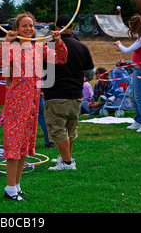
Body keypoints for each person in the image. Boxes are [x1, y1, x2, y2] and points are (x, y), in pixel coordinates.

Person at [0, 12, 67, 201]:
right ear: (17, 29)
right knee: (14, 146)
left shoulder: (38, 47)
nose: (28, 29)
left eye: (31, 25)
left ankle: (16, 186)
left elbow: (60, 58)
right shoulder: (13, 47)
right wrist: (6, 42)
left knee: (24, 146)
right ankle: (10, 189)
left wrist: (59, 41)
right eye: (24, 26)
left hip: (33, 103)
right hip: (17, 103)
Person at [43, 14, 94, 171]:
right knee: (70, 130)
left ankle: (66, 163)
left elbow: (43, 72)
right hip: (76, 95)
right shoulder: (82, 46)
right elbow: (90, 74)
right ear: (72, 28)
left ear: (56, 28)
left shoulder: (49, 47)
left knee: (59, 129)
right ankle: (67, 158)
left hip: (56, 94)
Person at [114, 14, 141, 132]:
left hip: (140, 69)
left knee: (139, 97)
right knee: (135, 96)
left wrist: (119, 44)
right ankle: (139, 120)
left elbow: (127, 51)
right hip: (138, 67)